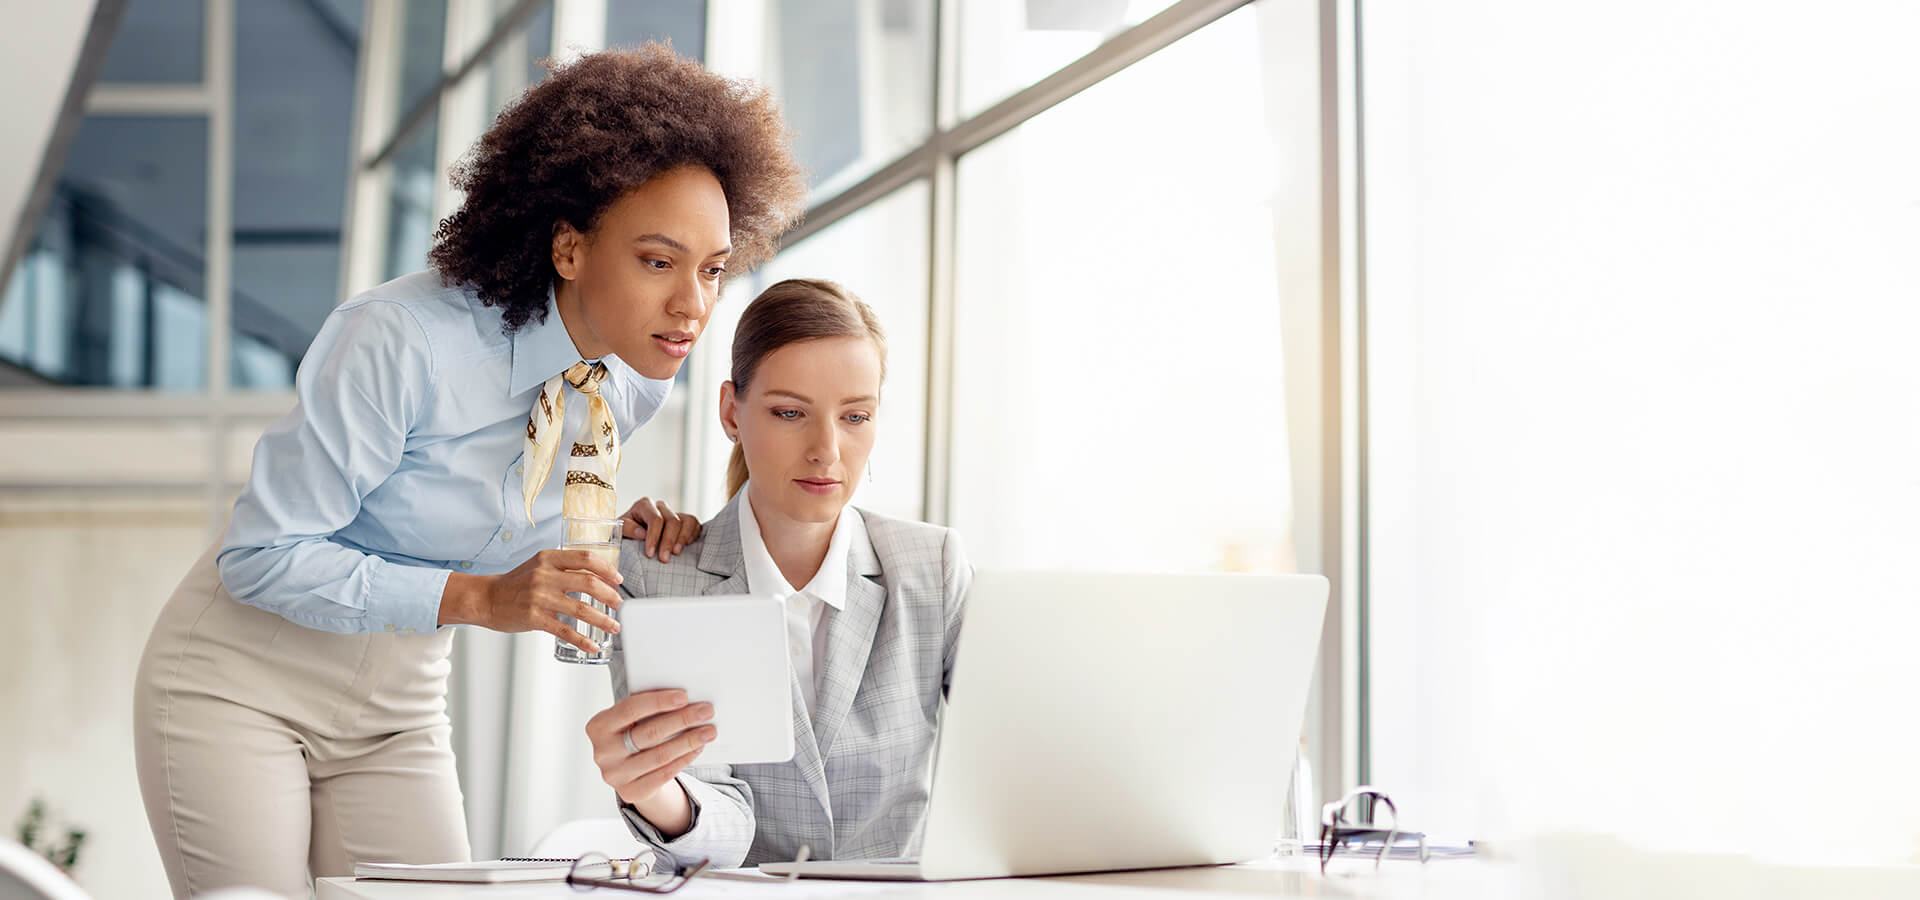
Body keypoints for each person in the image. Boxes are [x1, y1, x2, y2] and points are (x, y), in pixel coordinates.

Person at [132, 45, 806, 898]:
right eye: (657, 261)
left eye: (711, 270)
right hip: (240, 688)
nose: (693, 306)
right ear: (569, 247)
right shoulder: (399, 341)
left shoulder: (634, 379)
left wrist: (622, 532)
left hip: (398, 708)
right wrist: (483, 599)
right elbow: (262, 554)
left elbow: (500, 510)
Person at [584, 279, 970, 868]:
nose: (826, 450)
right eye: (790, 413)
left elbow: (1012, 754)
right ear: (731, 412)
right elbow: (721, 829)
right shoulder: (656, 577)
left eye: (856, 416)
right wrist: (654, 790)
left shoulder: (932, 568)